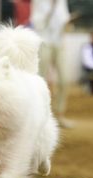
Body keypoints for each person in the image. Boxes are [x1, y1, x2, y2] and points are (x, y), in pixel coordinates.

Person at [30, 0, 78, 128]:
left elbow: (65, 22)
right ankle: (39, 116)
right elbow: (37, 23)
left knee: (64, 80)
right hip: (44, 42)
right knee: (41, 81)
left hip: (59, 43)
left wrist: (69, 22)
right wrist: (51, 8)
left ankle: (59, 115)